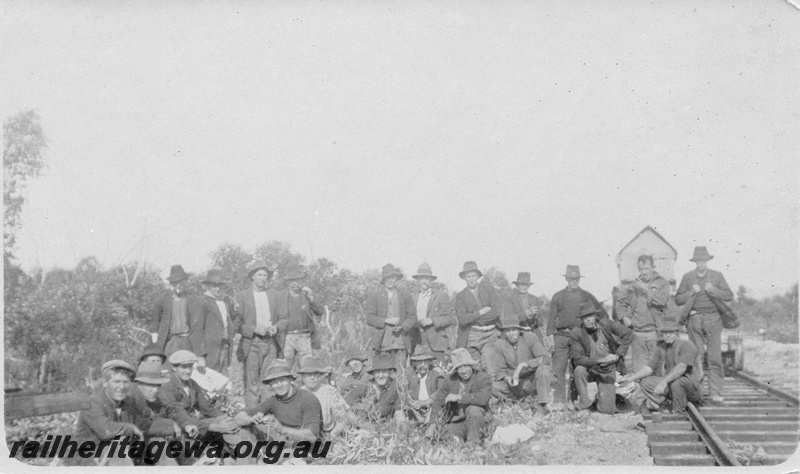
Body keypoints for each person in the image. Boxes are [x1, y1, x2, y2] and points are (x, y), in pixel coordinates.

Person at [157, 350, 254, 464]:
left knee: (240, 431)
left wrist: (226, 419)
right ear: (174, 367)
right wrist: (218, 427)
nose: (188, 371)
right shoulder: (167, 387)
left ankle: (249, 459)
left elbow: (207, 408)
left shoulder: (192, 384)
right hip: (183, 431)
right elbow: (181, 419)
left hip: (199, 426)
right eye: (183, 367)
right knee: (230, 432)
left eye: (190, 367)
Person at [675, 246, 733, 405]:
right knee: (696, 357)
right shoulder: (687, 277)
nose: (701, 263)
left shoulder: (717, 276)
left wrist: (713, 290)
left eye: (703, 260)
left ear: (707, 261)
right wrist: (690, 293)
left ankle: (716, 393)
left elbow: (729, 295)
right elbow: (678, 299)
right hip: (694, 320)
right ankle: (696, 393)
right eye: (698, 260)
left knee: (715, 357)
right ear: (695, 262)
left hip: (714, 320)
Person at [547, 265, 609, 409]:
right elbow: (551, 319)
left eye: (576, 279)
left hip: (578, 336)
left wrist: (595, 329)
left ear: (579, 279)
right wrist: (550, 337)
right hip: (561, 336)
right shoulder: (558, 296)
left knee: (577, 367)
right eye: (571, 278)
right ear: (566, 279)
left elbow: (602, 314)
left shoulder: (587, 296)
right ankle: (559, 401)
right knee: (558, 369)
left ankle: (574, 400)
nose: (573, 281)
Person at [68, 360, 149, 466]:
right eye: (116, 381)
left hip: (115, 454)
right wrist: (131, 428)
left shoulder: (129, 402)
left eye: (126, 382)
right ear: (105, 382)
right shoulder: (92, 403)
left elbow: (144, 423)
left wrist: (171, 426)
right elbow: (106, 430)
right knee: (119, 445)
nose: (121, 387)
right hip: (86, 456)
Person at [620, 320, 703, 416]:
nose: (667, 335)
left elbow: (681, 368)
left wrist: (663, 382)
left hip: (693, 388)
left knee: (678, 382)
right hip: (673, 385)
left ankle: (678, 412)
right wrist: (629, 379)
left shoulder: (686, 345)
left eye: (671, 332)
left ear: (677, 332)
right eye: (665, 333)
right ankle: (666, 405)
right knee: (646, 382)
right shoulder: (662, 347)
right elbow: (648, 368)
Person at [234, 360, 322, 447]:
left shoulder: (308, 398)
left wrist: (281, 428)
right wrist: (252, 420)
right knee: (245, 430)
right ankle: (249, 461)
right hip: (282, 443)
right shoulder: (273, 400)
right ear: (271, 385)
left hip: (303, 447)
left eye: (282, 380)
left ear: (290, 379)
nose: (279, 385)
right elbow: (238, 418)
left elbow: (312, 437)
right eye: (275, 382)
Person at [235, 260, 288, 407]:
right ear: (252, 276)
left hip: (271, 343)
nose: (263, 278)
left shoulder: (274, 295)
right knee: (252, 382)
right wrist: (253, 329)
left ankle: (266, 414)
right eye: (259, 275)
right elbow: (236, 323)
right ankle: (251, 415)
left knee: (268, 381)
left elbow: (284, 319)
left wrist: (276, 328)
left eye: (265, 275)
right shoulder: (242, 296)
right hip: (252, 343)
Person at [569, 302, 632, 414]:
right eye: (584, 317)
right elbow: (578, 359)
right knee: (579, 370)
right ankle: (584, 403)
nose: (588, 320)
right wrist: (603, 359)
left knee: (608, 410)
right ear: (581, 319)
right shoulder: (577, 332)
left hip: (607, 370)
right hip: (590, 369)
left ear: (596, 316)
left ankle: (600, 398)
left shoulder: (606, 324)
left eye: (590, 316)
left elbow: (628, 334)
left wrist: (617, 354)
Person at [615, 255, 671, 373]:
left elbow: (662, 300)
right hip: (637, 334)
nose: (644, 272)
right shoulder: (633, 286)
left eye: (647, 268)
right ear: (638, 269)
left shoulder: (662, 283)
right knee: (639, 371)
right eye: (642, 269)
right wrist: (624, 317)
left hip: (655, 334)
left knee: (657, 370)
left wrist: (645, 289)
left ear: (653, 267)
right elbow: (620, 303)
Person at [491, 314, 552, 420]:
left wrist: (524, 364)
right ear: (504, 332)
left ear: (519, 330)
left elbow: (545, 358)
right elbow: (500, 370)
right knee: (493, 386)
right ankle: (517, 402)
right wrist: (507, 378)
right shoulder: (499, 344)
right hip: (514, 385)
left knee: (543, 369)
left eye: (514, 330)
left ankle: (541, 405)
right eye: (508, 330)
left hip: (530, 381)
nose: (511, 334)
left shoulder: (530, 337)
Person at [426, 348, 492, 444]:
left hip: (477, 422)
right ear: (456, 369)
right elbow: (438, 402)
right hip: (458, 422)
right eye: (460, 368)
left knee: (474, 409)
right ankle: (458, 439)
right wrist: (432, 424)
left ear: (471, 365)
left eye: (466, 366)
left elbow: (483, 398)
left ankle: (473, 444)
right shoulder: (450, 380)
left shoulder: (482, 378)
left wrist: (459, 397)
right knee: (438, 435)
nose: (464, 371)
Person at [365, 264, 417, 370]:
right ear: (383, 280)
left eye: (392, 277)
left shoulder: (405, 295)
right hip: (383, 343)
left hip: (401, 344)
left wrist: (402, 327)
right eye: (387, 278)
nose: (390, 280)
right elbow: (369, 318)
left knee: (400, 374)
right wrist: (386, 320)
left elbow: (413, 317)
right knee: (382, 373)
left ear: (396, 279)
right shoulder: (375, 296)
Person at [454, 261, 502, 377]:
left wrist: (474, 318)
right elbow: (462, 319)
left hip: (490, 334)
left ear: (478, 276)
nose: (471, 279)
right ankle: (478, 392)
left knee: (491, 366)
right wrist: (481, 311)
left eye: (473, 276)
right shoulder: (460, 296)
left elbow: (497, 311)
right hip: (472, 335)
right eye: (468, 276)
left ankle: (494, 392)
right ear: (464, 278)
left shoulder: (488, 289)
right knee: (475, 368)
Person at [132, 361, 182, 465]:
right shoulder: (132, 400)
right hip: (135, 451)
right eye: (150, 386)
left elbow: (171, 413)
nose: (154, 390)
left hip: (152, 450)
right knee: (158, 441)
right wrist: (170, 425)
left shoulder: (156, 401)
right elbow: (140, 424)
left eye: (157, 386)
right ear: (139, 384)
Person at [189, 268, 237, 375]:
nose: (217, 289)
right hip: (209, 351)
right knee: (208, 382)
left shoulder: (226, 301)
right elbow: (197, 331)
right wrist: (200, 356)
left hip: (225, 347)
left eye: (220, 286)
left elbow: (232, 320)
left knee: (223, 382)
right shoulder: (202, 301)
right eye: (214, 286)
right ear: (208, 286)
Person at [411, 263, 455, 364]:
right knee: (419, 369)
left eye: (427, 278)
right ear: (417, 280)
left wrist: (432, 321)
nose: (424, 281)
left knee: (438, 370)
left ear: (431, 280)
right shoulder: (412, 297)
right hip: (418, 340)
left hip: (436, 341)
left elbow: (450, 318)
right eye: (421, 278)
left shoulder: (441, 296)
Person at [281, 268, 324, 371]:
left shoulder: (306, 295)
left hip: (304, 337)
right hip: (288, 337)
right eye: (292, 281)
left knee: (307, 368)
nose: (295, 283)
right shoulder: (282, 296)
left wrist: (311, 297)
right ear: (287, 282)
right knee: (285, 369)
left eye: (297, 280)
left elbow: (320, 311)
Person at [297, 357, 352, 438]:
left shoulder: (330, 391)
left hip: (326, 434)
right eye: (308, 374)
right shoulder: (297, 393)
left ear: (320, 376)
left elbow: (342, 418)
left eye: (315, 374)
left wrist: (332, 435)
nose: (312, 378)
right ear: (302, 377)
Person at [344, 353, 405, 422]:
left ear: (389, 373)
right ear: (373, 373)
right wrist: (357, 422)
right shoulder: (364, 386)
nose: (381, 375)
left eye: (384, 371)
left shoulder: (395, 386)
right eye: (378, 372)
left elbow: (399, 412)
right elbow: (346, 405)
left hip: (384, 426)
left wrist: (402, 429)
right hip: (364, 424)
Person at [153, 264, 195, 357]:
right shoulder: (162, 299)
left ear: (186, 281)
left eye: (181, 282)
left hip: (188, 341)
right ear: (171, 283)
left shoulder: (192, 299)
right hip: (171, 341)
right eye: (175, 282)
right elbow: (155, 320)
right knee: (169, 368)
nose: (178, 285)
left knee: (188, 367)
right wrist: (156, 334)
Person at [404, 345, 444, 423]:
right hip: (414, 407)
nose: (422, 365)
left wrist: (426, 402)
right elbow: (403, 390)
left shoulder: (436, 373)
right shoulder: (408, 372)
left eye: (425, 361)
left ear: (430, 362)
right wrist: (413, 403)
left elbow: (442, 389)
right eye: (419, 362)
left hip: (431, 406)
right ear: (414, 362)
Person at [506, 272, 547, 345]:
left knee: (540, 353)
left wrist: (534, 317)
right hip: (517, 335)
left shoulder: (535, 299)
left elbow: (541, 322)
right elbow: (508, 319)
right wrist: (525, 315)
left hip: (533, 333)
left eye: (526, 285)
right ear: (517, 285)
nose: (524, 287)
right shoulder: (510, 299)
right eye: (522, 284)